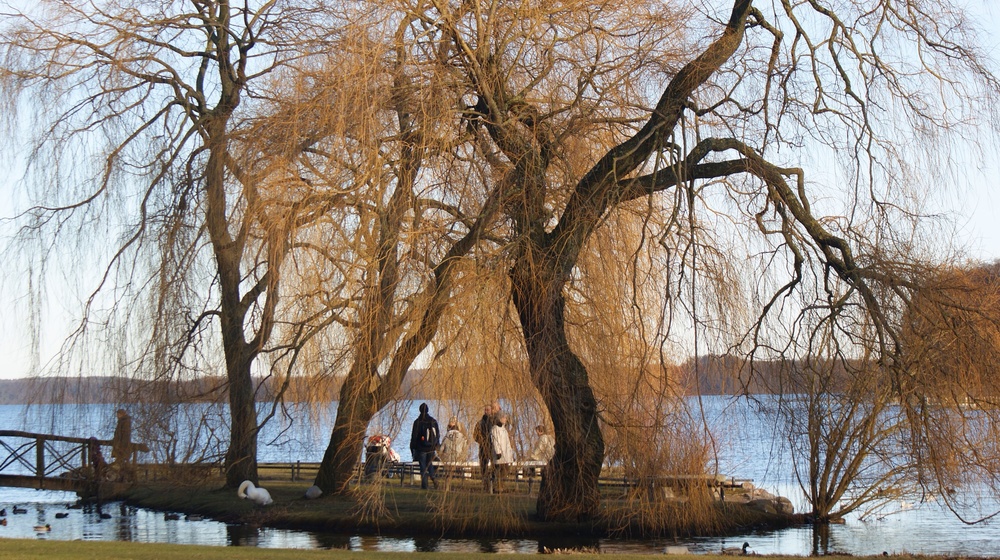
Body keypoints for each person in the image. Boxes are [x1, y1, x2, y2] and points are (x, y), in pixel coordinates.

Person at [409, 403, 440, 489]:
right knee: (429, 464)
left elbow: (414, 436)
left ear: (420, 410)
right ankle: (434, 479)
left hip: (421, 448)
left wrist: (412, 448)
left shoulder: (417, 422)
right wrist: (436, 445)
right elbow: (437, 434)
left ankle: (424, 485)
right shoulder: (433, 421)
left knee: (423, 466)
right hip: (431, 448)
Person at [472, 403, 497, 489]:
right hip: (483, 447)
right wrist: (482, 441)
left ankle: (494, 484)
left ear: (491, 411)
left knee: (495, 466)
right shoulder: (479, 423)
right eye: (485, 410)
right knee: (483, 466)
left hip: (493, 446)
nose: (486, 411)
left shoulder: (494, 422)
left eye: (488, 410)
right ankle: (485, 484)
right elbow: (475, 435)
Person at [491, 414, 515, 493]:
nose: (505, 419)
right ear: (500, 418)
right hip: (500, 454)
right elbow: (495, 440)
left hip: (506, 454)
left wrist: (510, 454)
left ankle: (501, 486)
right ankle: (497, 487)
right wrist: (498, 451)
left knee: (505, 470)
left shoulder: (504, 429)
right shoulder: (495, 429)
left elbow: (507, 443)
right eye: (504, 418)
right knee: (500, 471)